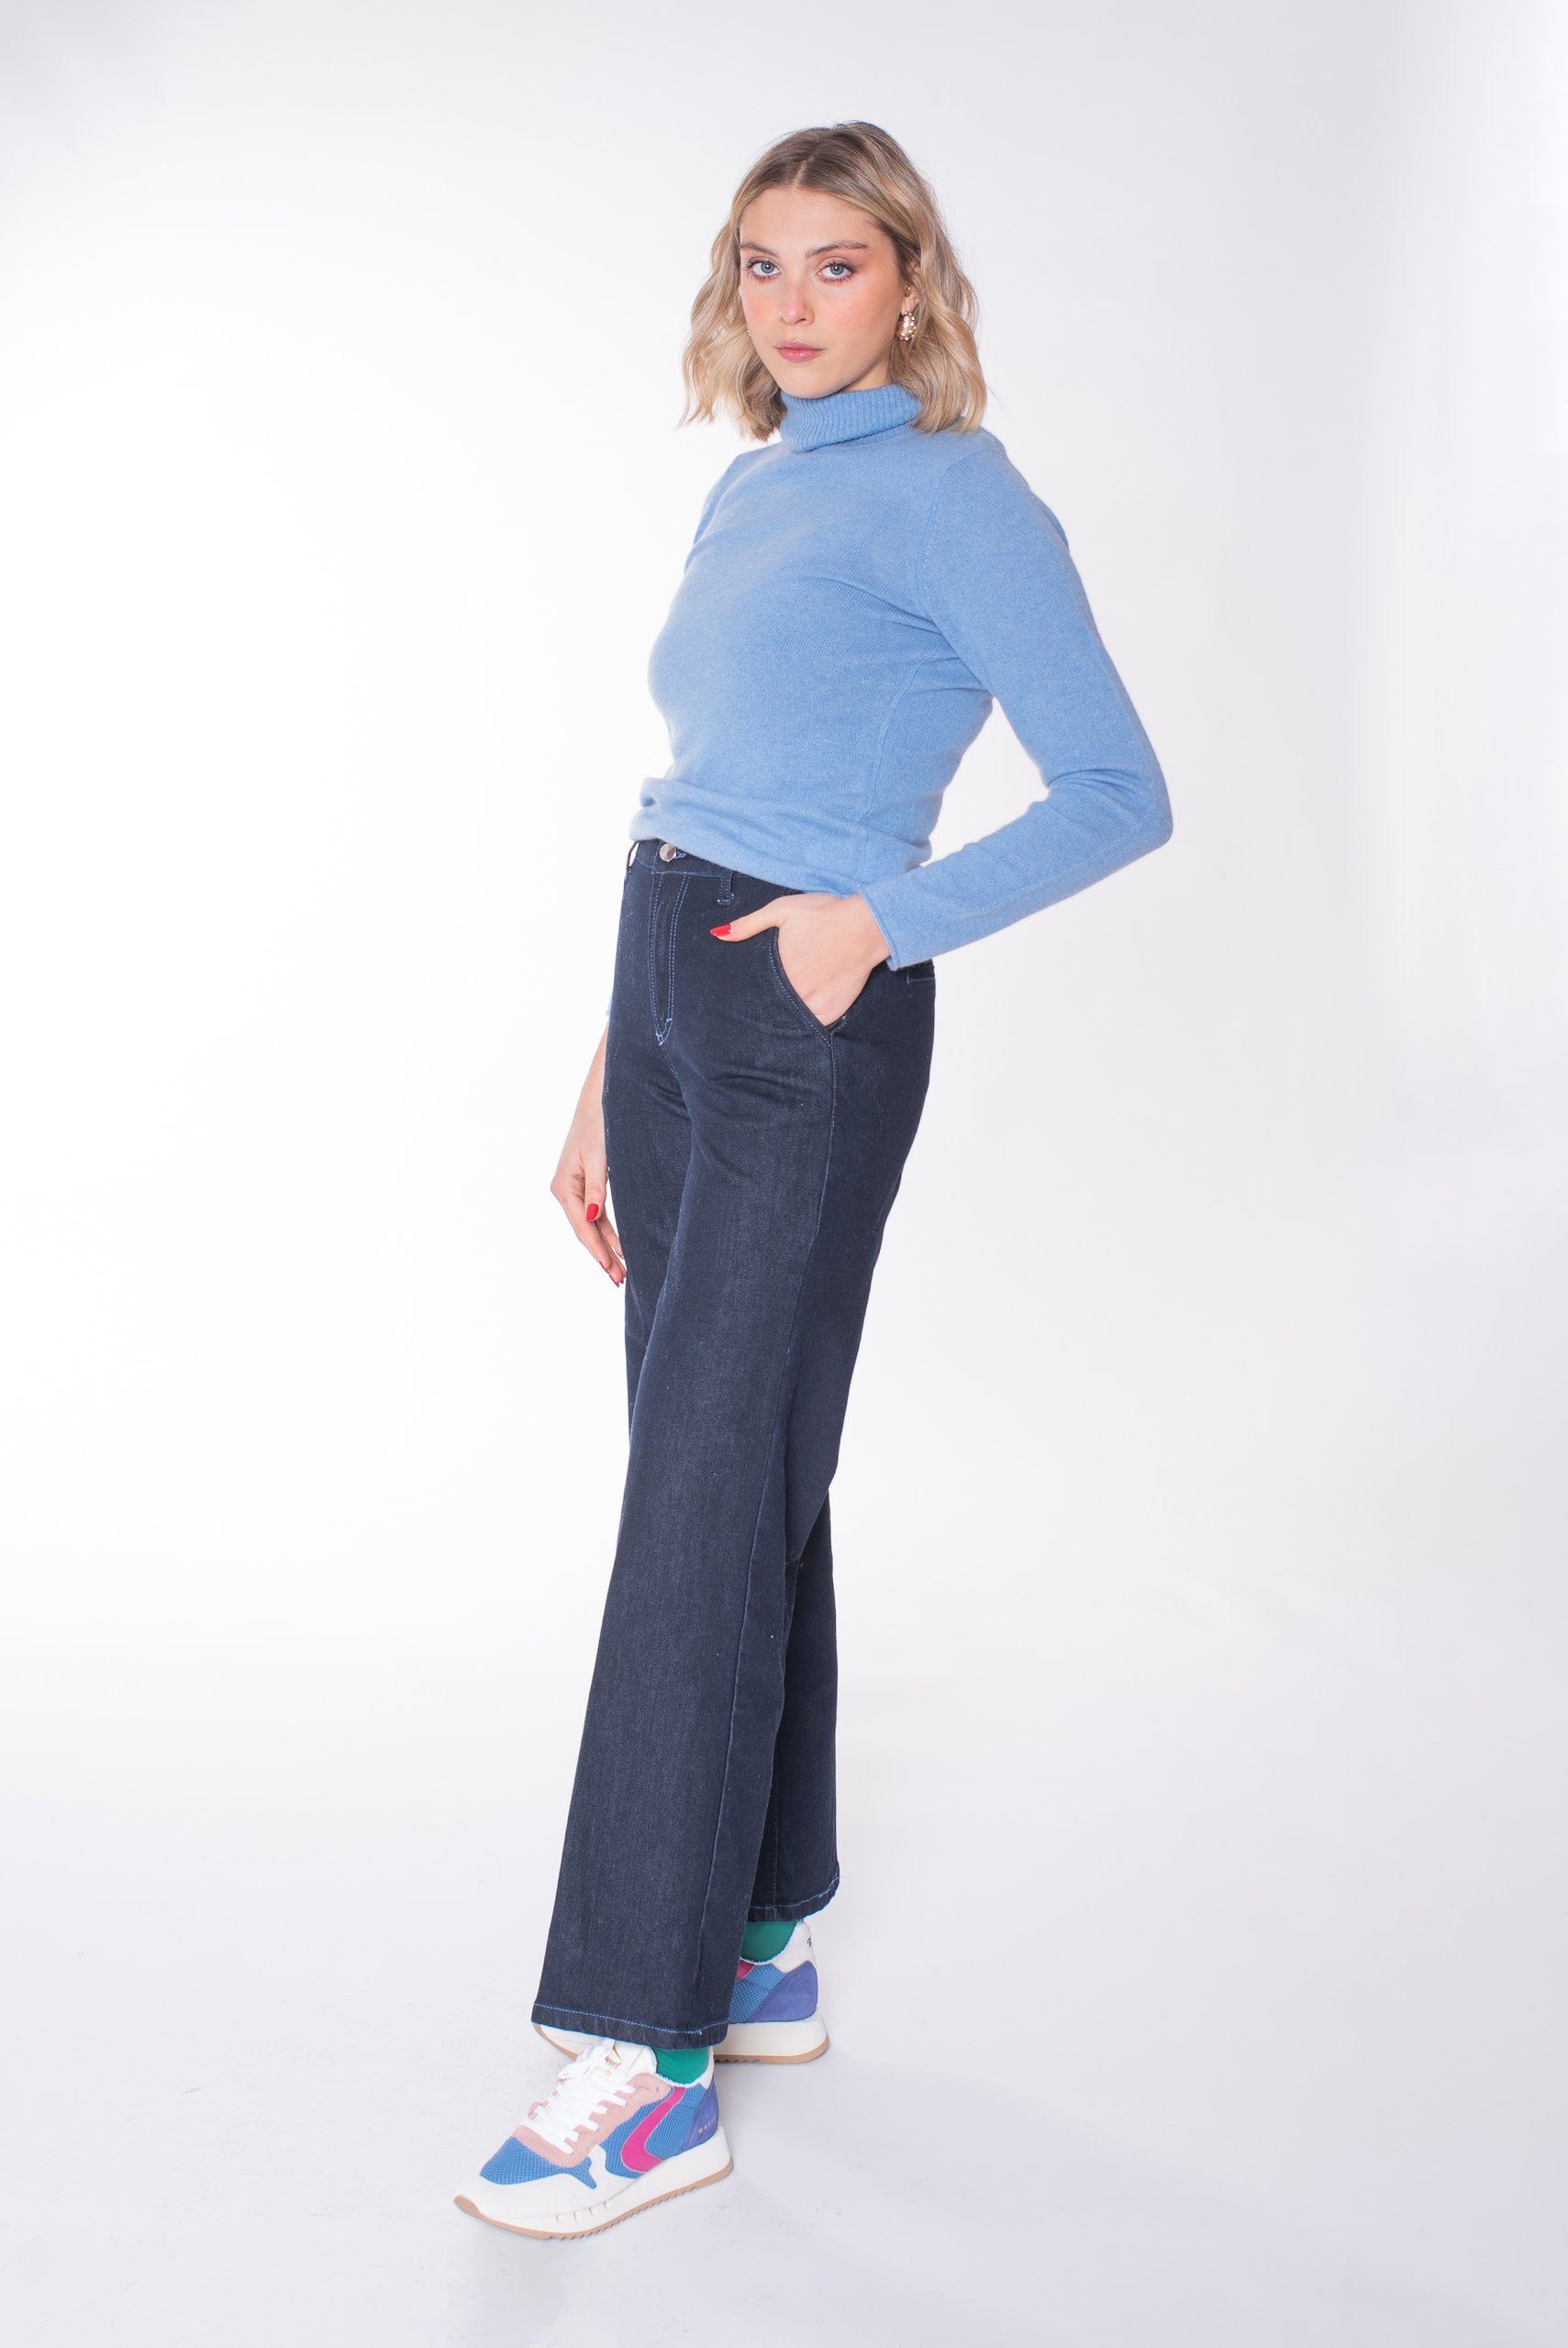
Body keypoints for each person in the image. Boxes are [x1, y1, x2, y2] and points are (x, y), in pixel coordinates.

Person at [454, 118, 1173, 2240]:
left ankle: (643, 2053)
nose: (791, 301)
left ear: (910, 284)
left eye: (835, 263)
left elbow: (1119, 788)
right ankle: (758, 1938)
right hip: (669, 974)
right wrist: (612, 1057)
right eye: (761, 262)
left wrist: (880, 924)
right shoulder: (757, 481)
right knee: (731, 1468)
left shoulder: (960, 493)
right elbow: (707, 776)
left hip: (805, 1011)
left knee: (699, 1496)